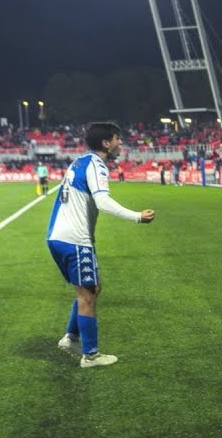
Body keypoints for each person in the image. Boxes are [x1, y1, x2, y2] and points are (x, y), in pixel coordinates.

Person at [47, 122, 156, 368]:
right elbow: (103, 201)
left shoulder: (80, 162)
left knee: (91, 289)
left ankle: (71, 338)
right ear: (106, 143)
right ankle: (91, 355)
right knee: (87, 294)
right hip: (75, 240)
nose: (120, 143)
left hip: (58, 236)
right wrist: (137, 216)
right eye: (117, 139)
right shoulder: (97, 164)